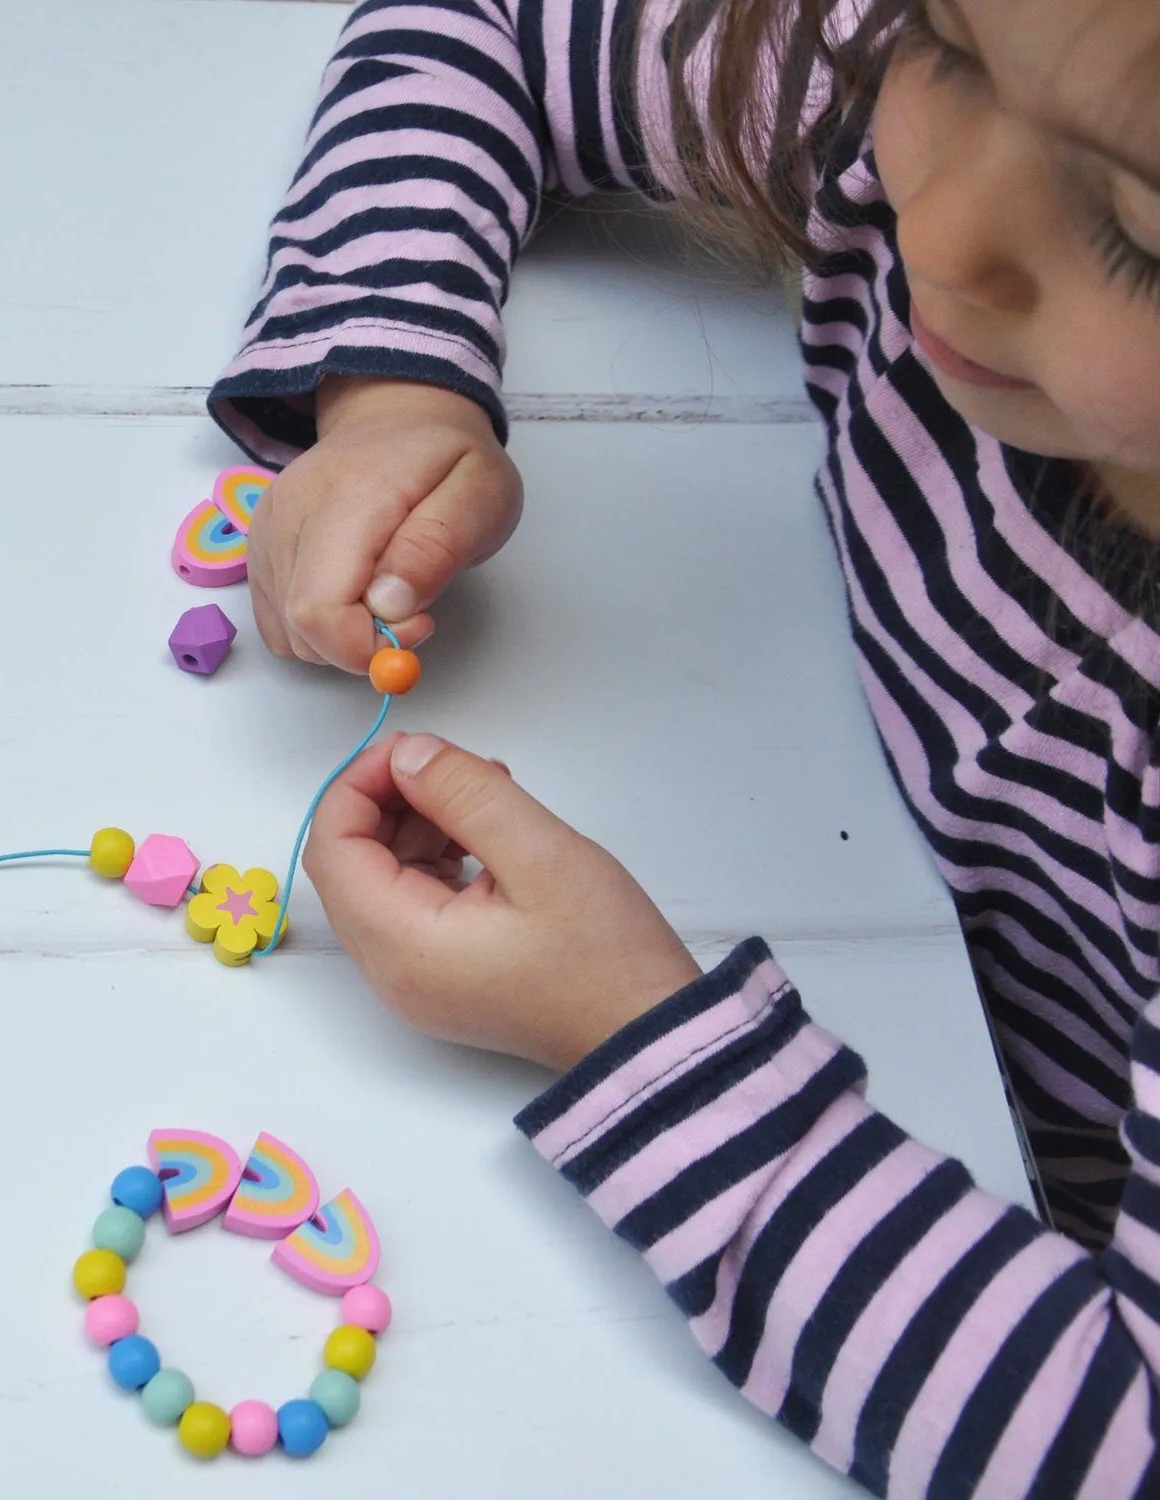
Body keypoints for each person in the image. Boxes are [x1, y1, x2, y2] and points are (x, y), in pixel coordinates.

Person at [209, 1, 1160, 1493]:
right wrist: (398, 389)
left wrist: (625, 1034)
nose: (943, 228)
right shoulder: (952, 69)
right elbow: (474, 25)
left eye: (1134, 226)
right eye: (953, 55)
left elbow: (1111, 1444)